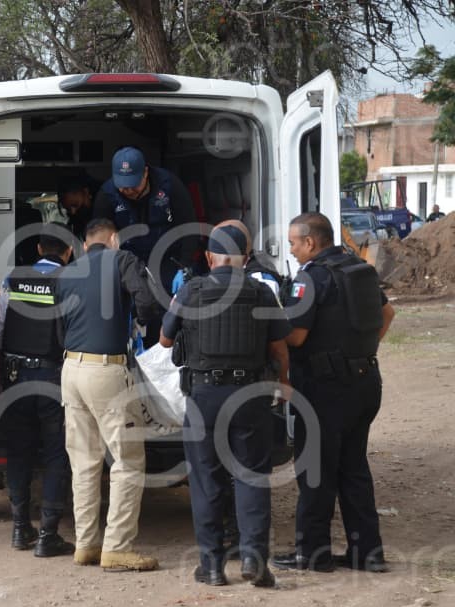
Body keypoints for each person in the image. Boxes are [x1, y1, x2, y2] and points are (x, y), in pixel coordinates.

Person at [159, 223, 291, 587]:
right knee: (251, 476)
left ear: (208, 258)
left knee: (206, 481)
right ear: (245, 259)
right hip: (250, 396)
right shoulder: (262, 293)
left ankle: (213, 566)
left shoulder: (190, 290)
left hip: (204, 398)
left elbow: (165, 341)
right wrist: (283, 385)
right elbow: (279, 349)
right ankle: (253, 559)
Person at [271, 211, 396, 574]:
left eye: (294, 243)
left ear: (310, 242)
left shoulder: (311, 279)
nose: (292, 250)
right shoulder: (359, 269)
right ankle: (367, 553)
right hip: (365, 382)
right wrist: (362, 352)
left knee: (316, 471)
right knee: (354, 468)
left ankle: (312, 554)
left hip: (324, 389)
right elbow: (388, 315)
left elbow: (296, 336)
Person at [56, 217, 161, 571]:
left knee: (84, 461)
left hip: (70, 369)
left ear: (85, 244)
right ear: (114, 239)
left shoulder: (67, 272)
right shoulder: (123, 260)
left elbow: (60, 325)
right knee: (128, 460)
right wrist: (137, 323)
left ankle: (86, 544)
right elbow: (147, 301)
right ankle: (116, 547)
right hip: (107, 370)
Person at [0, 225, 75, 557]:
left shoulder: (14, 280)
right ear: (69, 253)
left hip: (16, 378)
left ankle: (20, 528)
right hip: (53, 379)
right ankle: (48, 534)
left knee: (19, 452)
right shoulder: (71, 283)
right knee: (55, 454)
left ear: (39, 249)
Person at [91, 146, 198, 298]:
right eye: (122, 185)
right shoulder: (107, 195)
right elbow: (99, 238)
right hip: (128, 262)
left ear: (146, 172)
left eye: (133, 184)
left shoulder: (169, 185)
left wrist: (185, 266)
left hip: (167, 258)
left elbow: (189, 226)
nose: (127, 190)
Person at [58, 175, 100, 243]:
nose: (73, 212)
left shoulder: (103, 209)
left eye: (75, 205)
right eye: (68, 209)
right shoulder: (76, 223)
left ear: (86, 192)